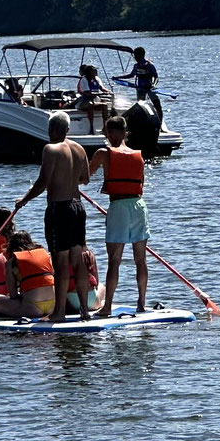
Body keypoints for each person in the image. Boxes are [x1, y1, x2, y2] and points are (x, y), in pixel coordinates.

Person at [12, 112, 93, 320]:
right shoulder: (79, 149)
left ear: (54, 130)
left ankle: (59, 312)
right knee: (78, 261)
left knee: (60, 262)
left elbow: (43, 181)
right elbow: (85, 179)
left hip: (59, 209)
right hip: (78, 208)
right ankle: (85, 311)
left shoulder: (50, 149)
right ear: (68, 130)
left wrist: (24, 199)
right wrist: (68, 178)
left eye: (50, 129)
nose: (49, 133)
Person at [85, 111, 149, 315]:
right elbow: (140, 183)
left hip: (119, 207)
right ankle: (141, 303)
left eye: (107, 132)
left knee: (114, 259)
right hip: (138, 206)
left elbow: (84, 177)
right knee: (140, 259)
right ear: (125, 133)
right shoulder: (138, 155)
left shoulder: (103, 153)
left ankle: (107, 307)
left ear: (111, 132)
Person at [8, 231, 56, 320]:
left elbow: (13, 295)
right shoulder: (45, 255)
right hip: (53, 305)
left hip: (32, 307)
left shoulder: (11, 262)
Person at [77, 63, 104, 134]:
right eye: (94, 71)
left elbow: (101, 88)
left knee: (105, 105)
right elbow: (87, 93)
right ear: (90, 72)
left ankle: (105, 127)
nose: (96, 73)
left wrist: (108, 92)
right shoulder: (84, 80)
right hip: (84, 101)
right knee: (90, 105)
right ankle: (91, 128)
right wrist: (99, 94)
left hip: (95, 100)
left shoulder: (96, 79)